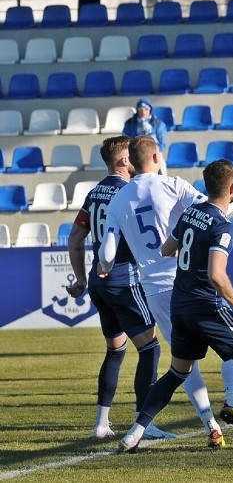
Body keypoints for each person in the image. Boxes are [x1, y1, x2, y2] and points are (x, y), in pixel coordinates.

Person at [118, 160, 233, 453]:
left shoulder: (192, 212)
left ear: (206, 186)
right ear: (232, 188)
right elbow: (217, 274)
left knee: (178, 372)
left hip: (180, 304)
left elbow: (167, 248)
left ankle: (134, 433)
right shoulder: (222, 225)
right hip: (206, 304)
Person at [99, 136, 233, 448]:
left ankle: (210, 424)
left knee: (183, 363)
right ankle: (232, 401)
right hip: (189, 280)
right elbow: (209, 207)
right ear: (157, 156)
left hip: (154, 288)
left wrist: (105, 265)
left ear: (131, 162)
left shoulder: (118, 200)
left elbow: (107, 252)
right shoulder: (172, 184)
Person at [65, 136, 172, 440]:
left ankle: (101, 424)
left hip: (98, 283)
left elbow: (75, 239)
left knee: (116, 350)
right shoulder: (128, 192)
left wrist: (81, 279)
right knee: (150, 348)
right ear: (124, 162)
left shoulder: (94, 192)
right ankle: (144, 423)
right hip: (124, 278)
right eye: (131, 157)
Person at [122, 99, 169, 175]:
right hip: (135, 152)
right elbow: (125, 139)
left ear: (150, 110)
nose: (143, 112)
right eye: (140, 109)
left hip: (154, 152)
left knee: (162, 164)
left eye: (146, 109)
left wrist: (153, 150)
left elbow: (163, 143)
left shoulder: (159, 124)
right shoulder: (130, 123)